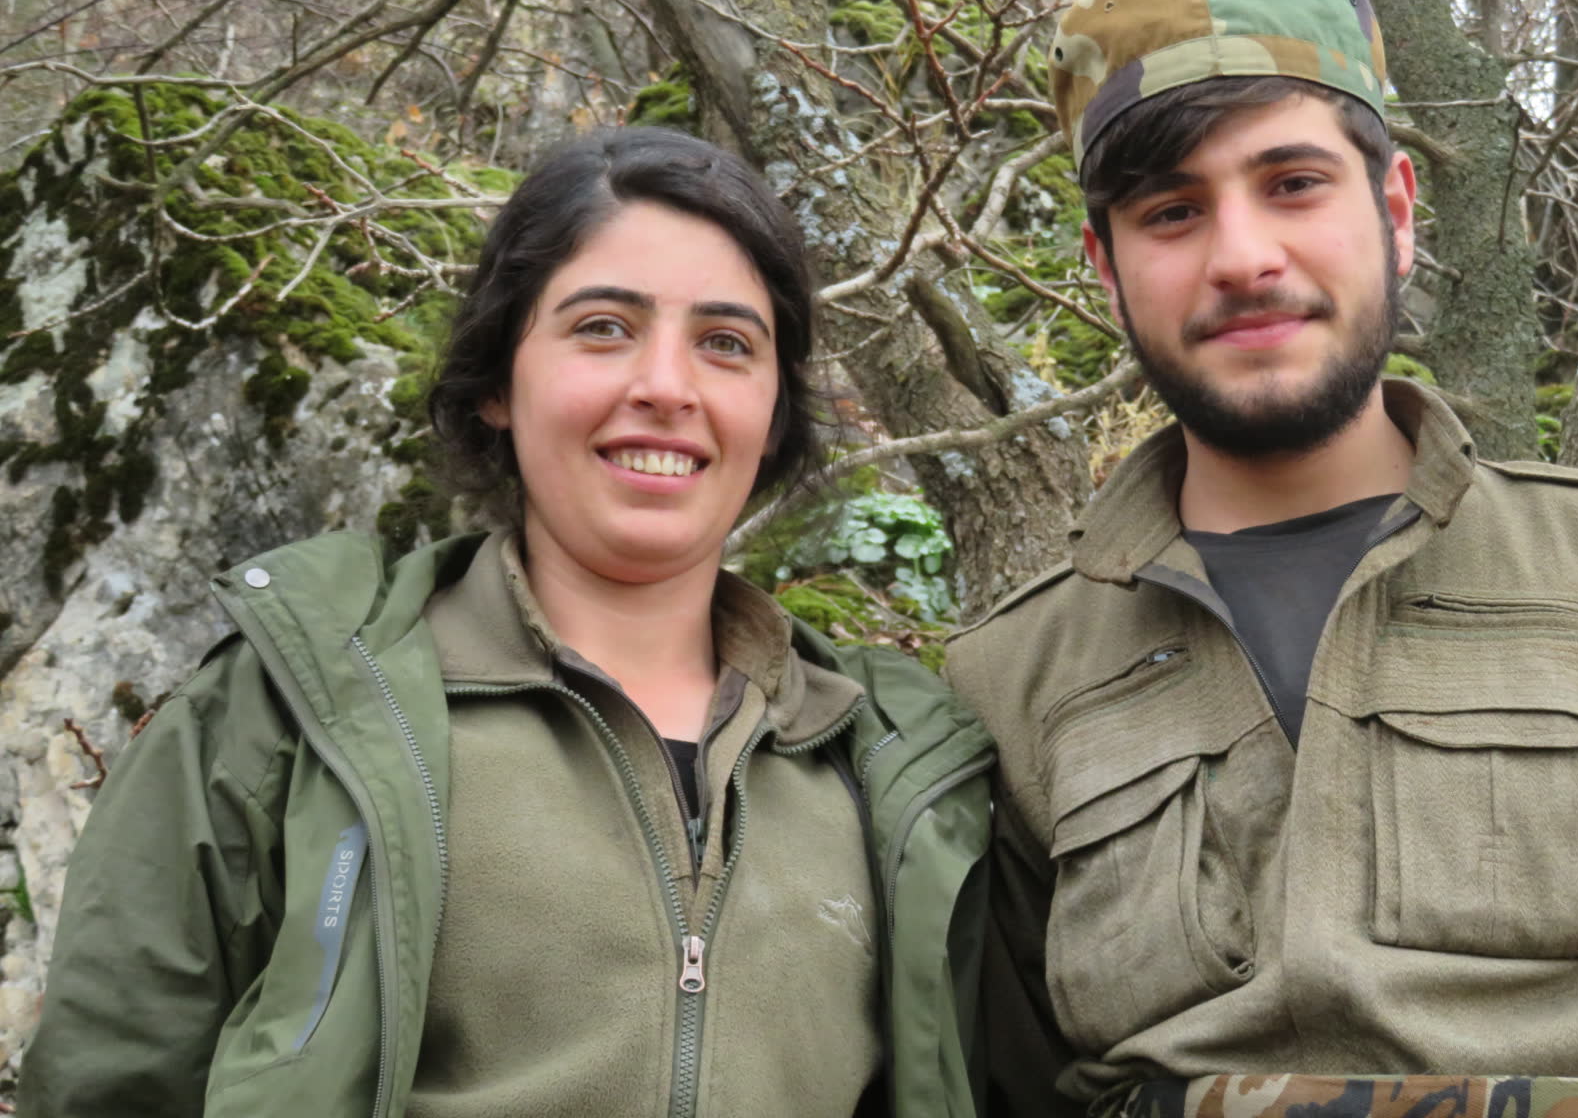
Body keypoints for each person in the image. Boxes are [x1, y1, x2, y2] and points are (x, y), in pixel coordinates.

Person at [942, 0, 1578, 1118]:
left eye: (1294, 184)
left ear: (1395, 211)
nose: (1244, 257)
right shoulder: (1010, 677)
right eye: (1172, 211)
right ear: (1106, 267)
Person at [21, 127, 993, 1118]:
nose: (666, 386)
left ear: (775, 408)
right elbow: (110, 1086)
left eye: (726, 344)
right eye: (603, 327)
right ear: (496, 382)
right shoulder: (286, 715)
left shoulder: (887, 759)